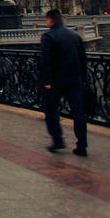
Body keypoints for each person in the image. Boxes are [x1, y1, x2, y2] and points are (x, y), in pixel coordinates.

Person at [39, 10, 89, 156]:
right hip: (75, 80)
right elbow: (83, 59)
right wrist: (82, 78)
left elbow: (45, 61)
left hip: (55, 82)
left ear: (50, 20)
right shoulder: (74, 35)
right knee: (78, 113)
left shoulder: (48, 36)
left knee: (51, 111)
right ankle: (82, 145)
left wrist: (47, 81)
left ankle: (58, 140)